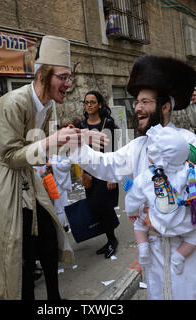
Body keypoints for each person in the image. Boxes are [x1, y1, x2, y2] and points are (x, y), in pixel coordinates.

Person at [69, 55, 196, 299]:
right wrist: (75, 144)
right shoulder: (139, 146)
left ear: (165, 106)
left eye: (145, 101)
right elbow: (107, 165)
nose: (137, 108)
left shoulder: (189, 144)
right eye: (137, 101)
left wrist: (158, 219)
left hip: (189, 250)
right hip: (156, 250)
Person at [0, 35, 82, 300]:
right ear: (44, 75)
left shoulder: (45, 105)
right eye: (63, 77)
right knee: (19, 253)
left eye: (70, 78)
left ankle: (54, 299)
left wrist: (70, 141)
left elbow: (36, 147)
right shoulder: (13, 103)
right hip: (4, 184)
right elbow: (11, 155)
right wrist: (51, 141)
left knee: (47, 235)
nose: (68, 84)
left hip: (27, 178)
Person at [125, 125, 196, 276]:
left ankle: (143, 249)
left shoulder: (148, 176)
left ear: (159, 156)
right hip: (184, 225)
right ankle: (179, 257)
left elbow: (134, 196)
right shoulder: (192, 170)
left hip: (158, 222)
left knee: (139, 223)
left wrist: (131, 211)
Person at [79, 91, 120, 259]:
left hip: (105, 171)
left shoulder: (107, 123)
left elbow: (114, 150)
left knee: (103, 206)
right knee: (95, 206)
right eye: (86, 102)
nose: (89, 105)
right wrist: (83, 173)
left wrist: (112, 176)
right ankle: (110, 238)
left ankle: (112, 240)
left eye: (92, 102)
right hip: (90, 172)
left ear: (100, 105)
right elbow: (81, 152)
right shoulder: (82, 125)